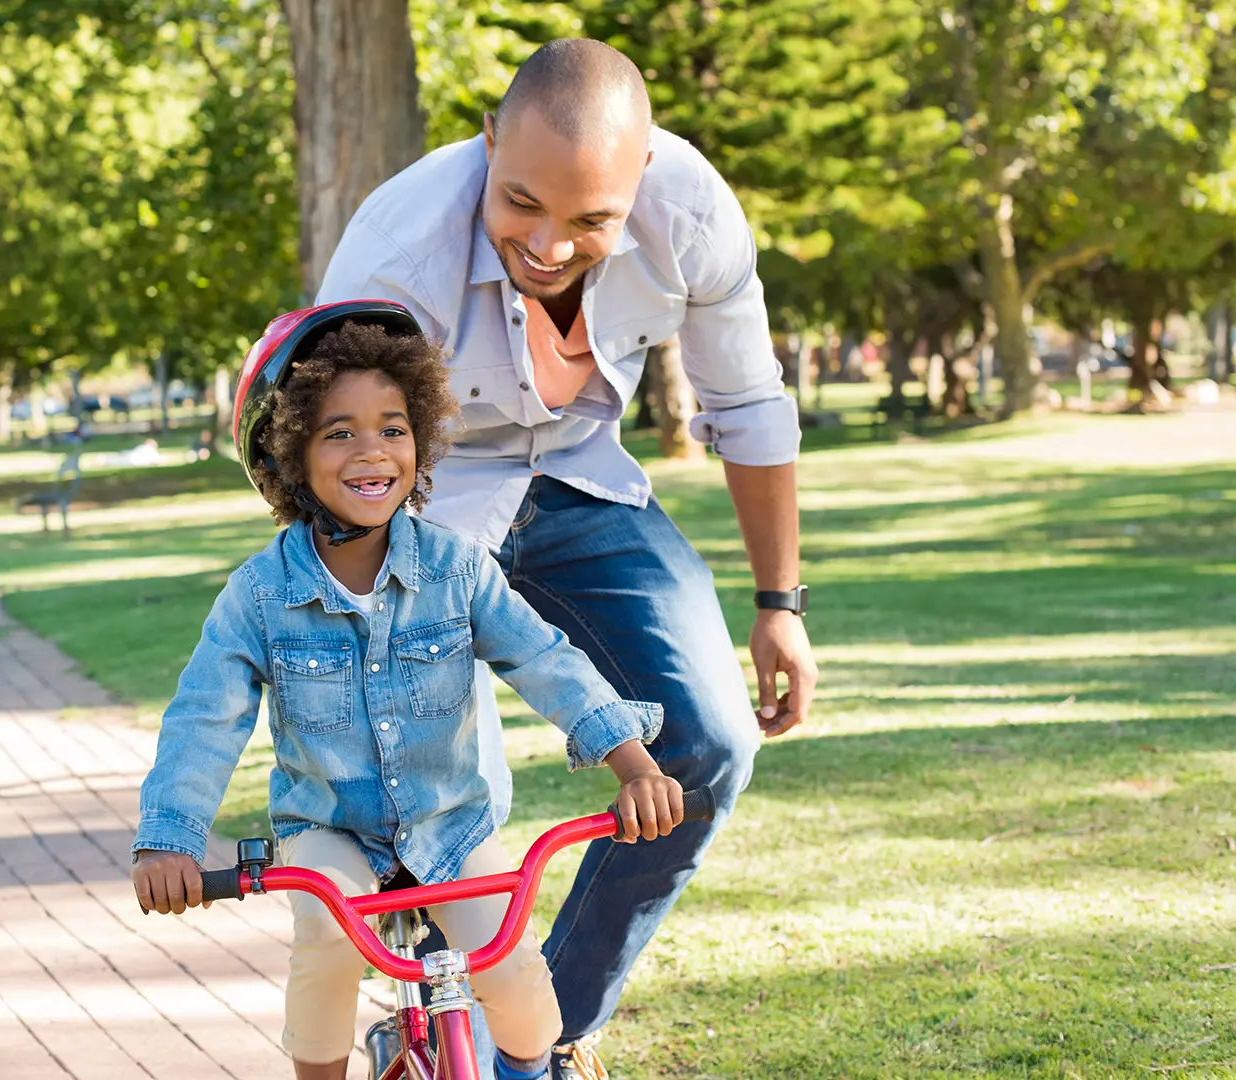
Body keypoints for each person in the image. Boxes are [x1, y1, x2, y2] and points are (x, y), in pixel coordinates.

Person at [313, 39, 820, 1078]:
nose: (547, 245)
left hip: (583, 475)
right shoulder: (392, 257)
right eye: (521, 204)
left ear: (640, 179)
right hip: (423, 492)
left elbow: (748, 406)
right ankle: (437, 1014)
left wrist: (780, 603)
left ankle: (543, 1037)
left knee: (712, 743)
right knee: (446, 794)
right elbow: (335, 458)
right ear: (489, 141)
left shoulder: (693, 216)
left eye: (590, 221)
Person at [130, 301, 684, 1080]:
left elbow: (544, 659)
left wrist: (634, 764)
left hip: (449, 822)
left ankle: (527, 1071)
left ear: (420, 438)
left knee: (513, 968)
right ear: (288, 455)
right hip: (329, 832)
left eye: (393, 427)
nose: (372, 451)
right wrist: (170, 840)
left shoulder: (456, 571)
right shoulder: (259, 597)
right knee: (325, 938)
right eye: (339, 431)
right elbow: (204, 720)